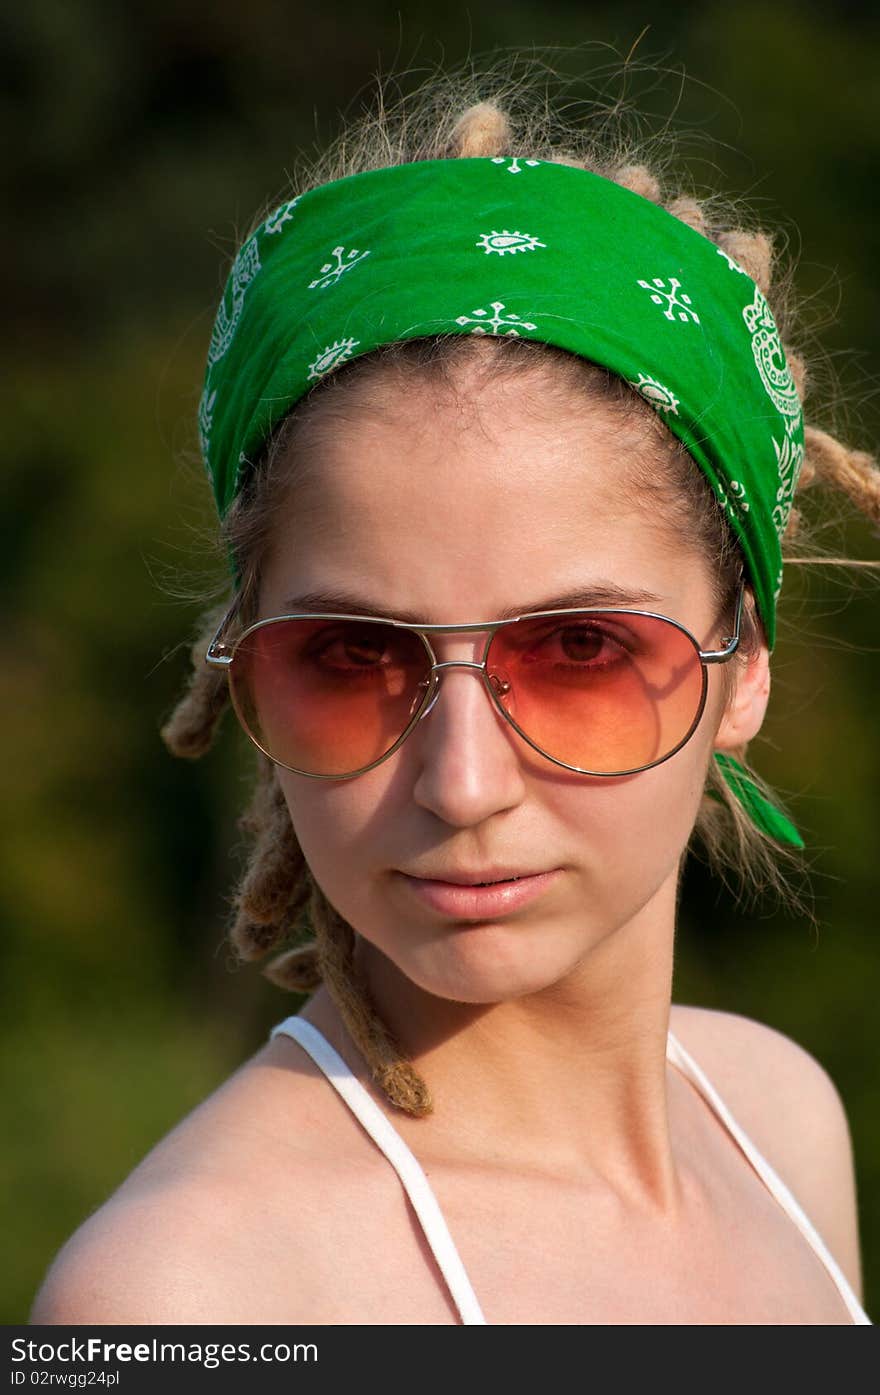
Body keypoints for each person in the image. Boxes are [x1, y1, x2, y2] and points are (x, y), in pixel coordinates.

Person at [30, 70, 877, 1325]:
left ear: (742, 664)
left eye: (582, 649)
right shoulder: (184, 1297)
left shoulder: (777, 1113)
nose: (463, 783)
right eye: (353, 658)